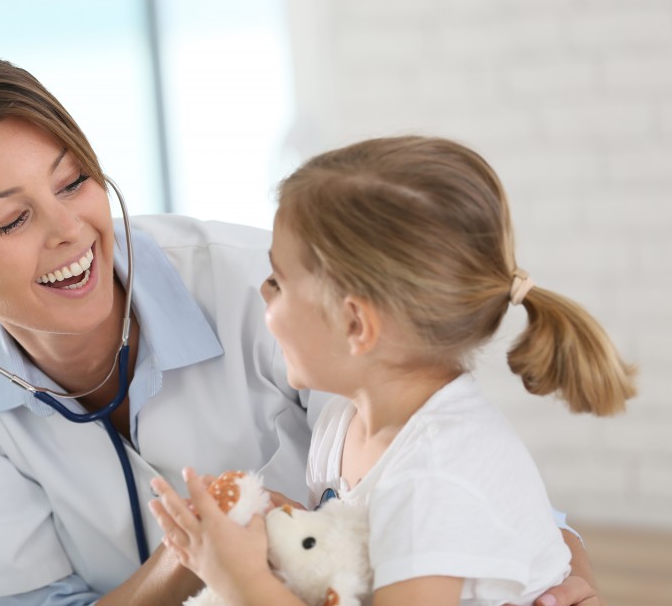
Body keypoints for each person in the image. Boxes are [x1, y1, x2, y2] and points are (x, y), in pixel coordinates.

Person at [0, 49, 608, 605]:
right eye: (14, 218)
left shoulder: (272, 288)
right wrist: (197, 553)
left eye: (74, 181)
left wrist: (553, 562)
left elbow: (437, 475)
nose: (70, 231)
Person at [148, 136, 637, 606]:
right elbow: (357, 548)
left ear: (355, 324)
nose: (263, 293)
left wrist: (239, 579)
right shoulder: (346, 422)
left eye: (278, 281)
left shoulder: (435, 473)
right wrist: (279, 520)